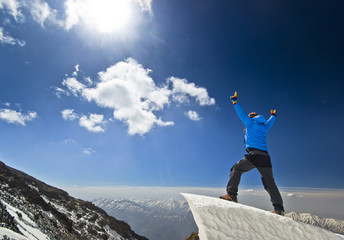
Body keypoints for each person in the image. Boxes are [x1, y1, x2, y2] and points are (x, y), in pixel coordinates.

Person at [220, 92, 285, 216]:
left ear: (252, 117)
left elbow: (241, 114)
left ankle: (232, 195)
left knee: (236, 169)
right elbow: (270, 122)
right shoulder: (264, 126)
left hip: (254, 155)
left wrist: (235, 101)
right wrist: (274, 115)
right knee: (269, 182)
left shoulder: (250, 123)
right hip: (265, 157)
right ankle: (279, 209)